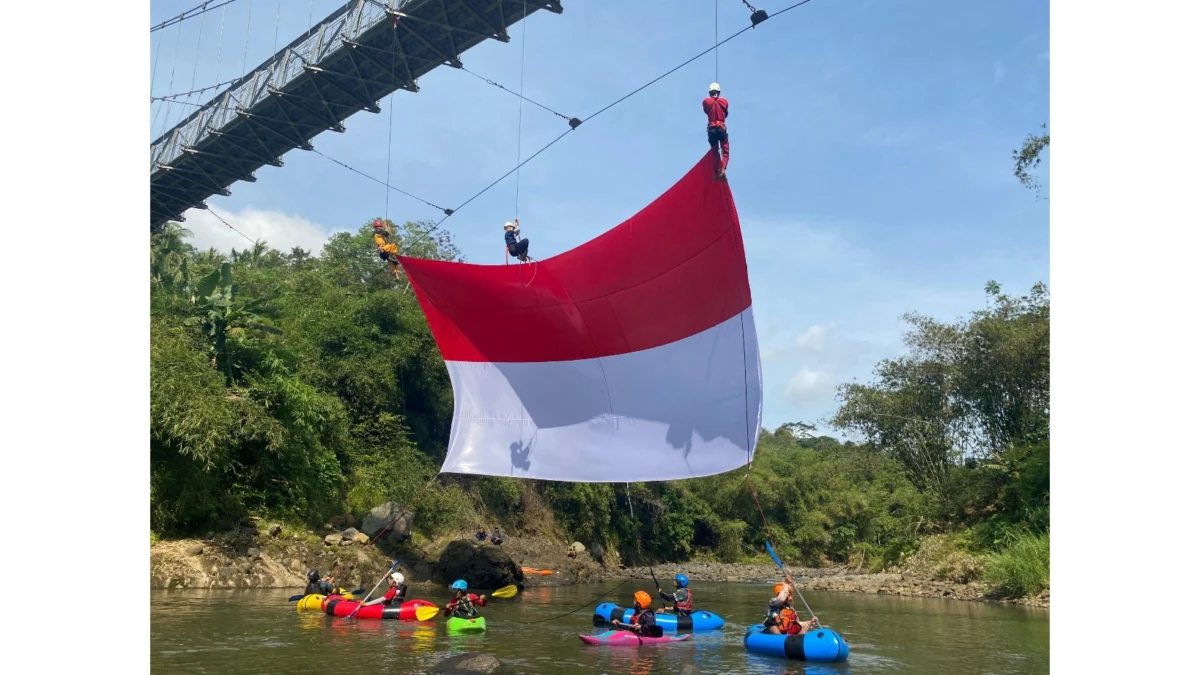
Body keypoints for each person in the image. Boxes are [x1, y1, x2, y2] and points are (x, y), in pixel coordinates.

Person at [702, 83, 730, 179]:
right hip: (721, 128)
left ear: (710, 93)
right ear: (719, 92)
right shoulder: (724, 101)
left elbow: (706, 110)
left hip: (712, 130)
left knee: (714, 151)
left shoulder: (706, 101)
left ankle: (715, 173)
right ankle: (722, 169)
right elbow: (726, 113)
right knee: (725, 152)